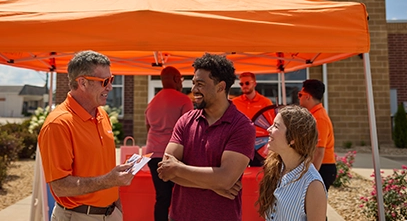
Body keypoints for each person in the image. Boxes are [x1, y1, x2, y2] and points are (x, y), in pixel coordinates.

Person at [157, 53, 255, 221]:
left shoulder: (242, 126)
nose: (194, 90)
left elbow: (225, 179)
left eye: (200, 84)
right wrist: (214, 184)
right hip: (179, 217)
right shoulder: (186, 120)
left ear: (221, 87)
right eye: (194, 83)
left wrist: (178, 169)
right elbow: (165, 172)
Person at [38, 51, 135, 221]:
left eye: (111, 80)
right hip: (78, 216)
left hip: (110, 213)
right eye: (105, 82)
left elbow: (104, 170)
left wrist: (116, 207)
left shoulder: (102, 115)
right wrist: (109, 181)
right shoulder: (58, 124)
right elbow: (60, 186)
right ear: (82, 82)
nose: (110, 87)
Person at [256, 105, 327, 221]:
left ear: (293, 138)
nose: (269, 129)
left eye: (276, 126)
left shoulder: (313, 185)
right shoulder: (276, 168)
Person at [145, 66, 193, 221]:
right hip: (175, 156)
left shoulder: (152, 102)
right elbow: (191, 130)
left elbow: (148, 127)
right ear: (175, 79)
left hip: (153, 154)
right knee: (182, 198)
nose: (181, 83)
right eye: (180, 79)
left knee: (162, 198)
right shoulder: (183, 100)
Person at [298, 79, 337, 191]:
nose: (299, 97)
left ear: (308, 97)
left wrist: (311, 176)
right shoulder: (314, 115)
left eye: (300, 94)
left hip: (322, 167)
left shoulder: (319, 118)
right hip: (319, 166)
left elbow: (319, 151)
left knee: (315, 205)